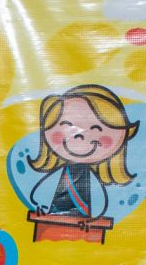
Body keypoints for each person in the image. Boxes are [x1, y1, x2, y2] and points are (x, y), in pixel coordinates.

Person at [27, 84, 139, 221]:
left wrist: (93, 218)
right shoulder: (59, 173)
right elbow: (41, 192)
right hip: (51, 220)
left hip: (85, 224)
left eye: (97, 130)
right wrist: (40, 206)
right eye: (67, 126)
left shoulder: (92, 178)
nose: (80, 136)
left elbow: (100, 199)